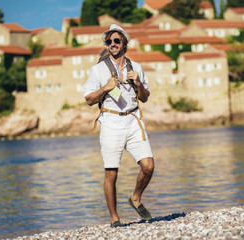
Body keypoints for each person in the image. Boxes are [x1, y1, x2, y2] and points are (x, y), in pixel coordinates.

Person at [83, 24, 155, 228]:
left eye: (116, 41)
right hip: (111, 122)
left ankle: (136, 198)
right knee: (111, 173)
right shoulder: (97, 70)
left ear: (124, 44)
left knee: (148, 166)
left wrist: (139, 84)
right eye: (109, 41)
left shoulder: (136, 67)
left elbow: (145, 98)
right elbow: (89, 99)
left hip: (133, 120)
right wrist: (106, 88)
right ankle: (115, 219)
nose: (112, 44)